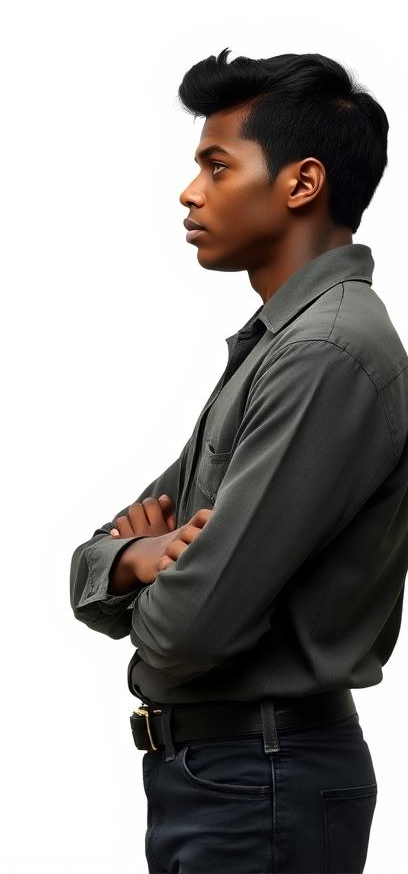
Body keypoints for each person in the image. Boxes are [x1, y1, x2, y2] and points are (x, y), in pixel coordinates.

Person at [70, 49, 408, 873]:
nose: (191, 193)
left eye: (217, 167)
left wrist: (152, 584)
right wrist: (132, 561)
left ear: (301, 184)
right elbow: (94, 560)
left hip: (264, 780)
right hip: (230, 778)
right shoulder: (279, 346)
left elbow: (193, 627)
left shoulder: (326, 352)